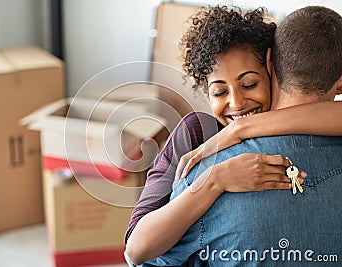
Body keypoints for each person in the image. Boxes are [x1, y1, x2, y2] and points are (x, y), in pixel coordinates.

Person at [137, 5, 342, 266]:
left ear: (269, 66)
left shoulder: (204, 168)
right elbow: (137, 246)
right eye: (220, 92)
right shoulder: (195, 137)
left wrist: (239, 130)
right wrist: (216, 179)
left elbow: (146, 261)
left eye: (249, 84)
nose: (238, 102)